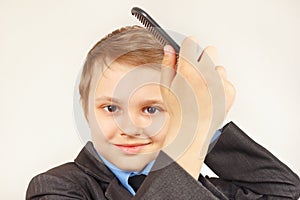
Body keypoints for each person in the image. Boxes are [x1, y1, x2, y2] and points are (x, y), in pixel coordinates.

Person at [26, 26, 300, 199]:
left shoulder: (204, 187)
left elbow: (283, 191)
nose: (131, 127)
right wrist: (188, 142)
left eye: (151, 108)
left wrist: (200, 127)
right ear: (86, 112)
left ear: (177, 116)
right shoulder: (54, 187)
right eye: (110, 108)